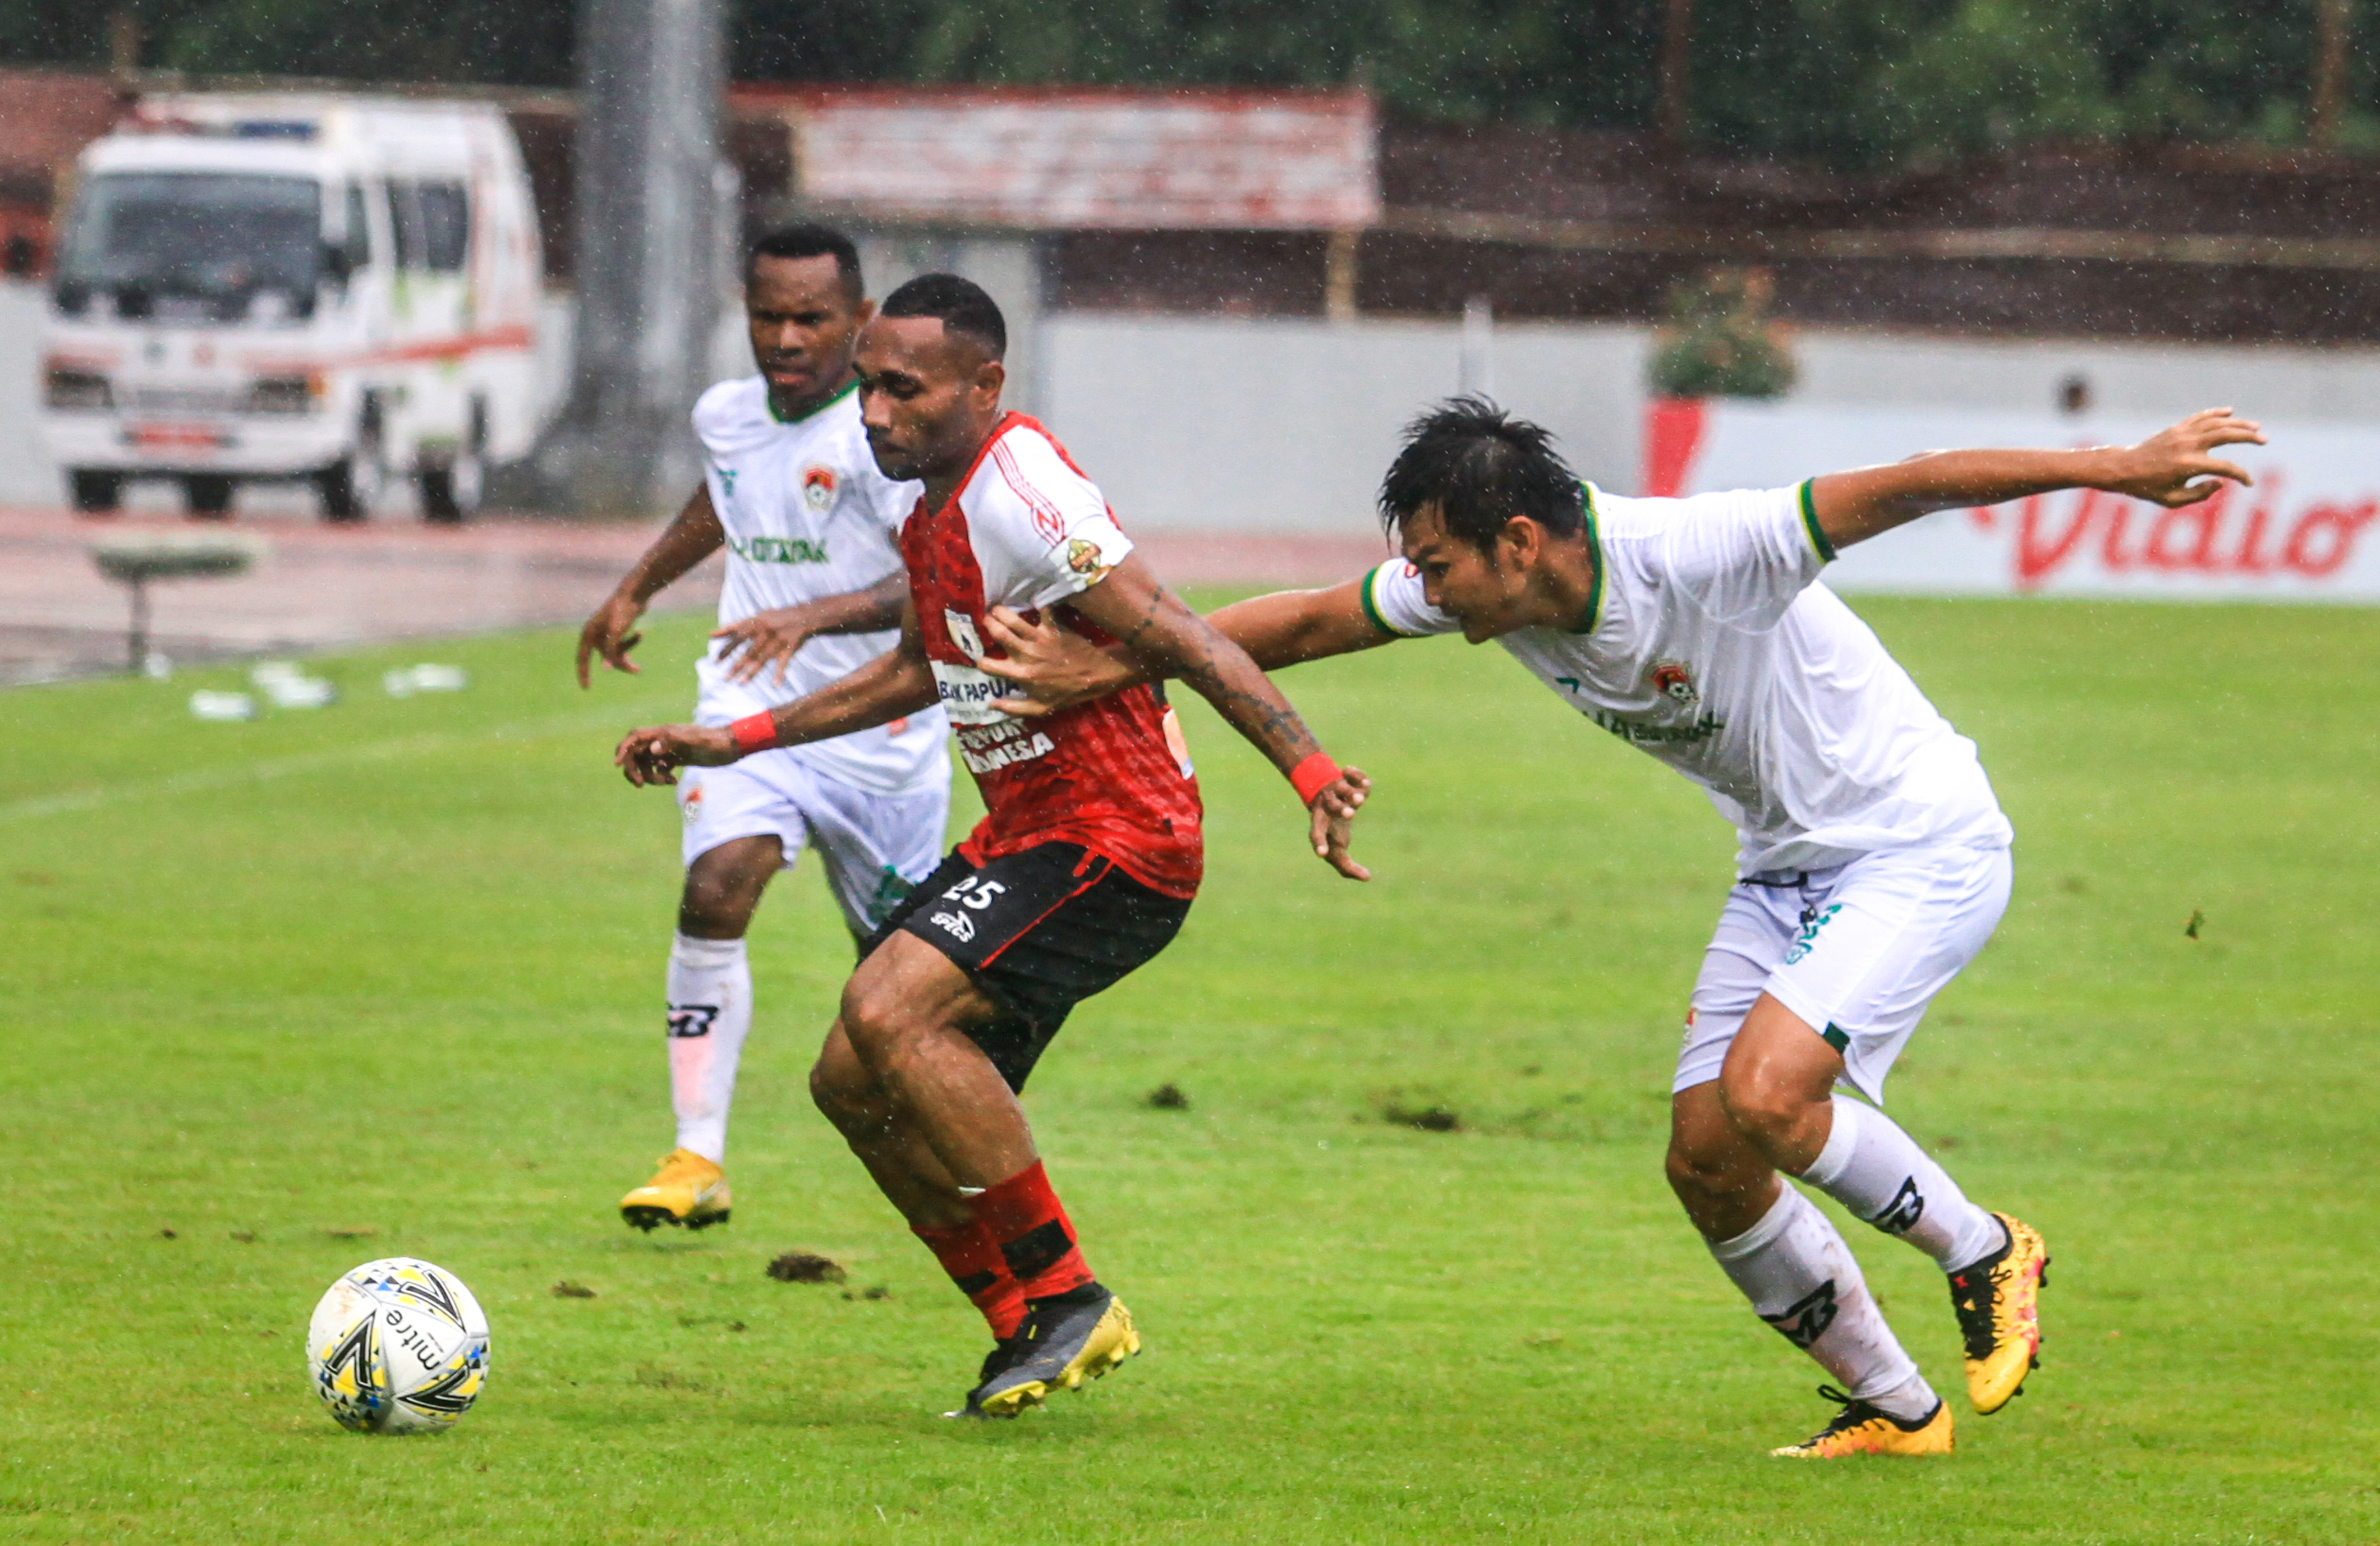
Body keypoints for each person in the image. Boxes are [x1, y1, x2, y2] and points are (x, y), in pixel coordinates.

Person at [971, 397, 2264, 1456]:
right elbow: (1301, 621)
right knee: (1709, 1160)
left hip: (1920, 845)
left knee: (1766, 1096)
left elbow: (1915, 480)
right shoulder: (1487, 589)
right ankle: (1896, 1406)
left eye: (1437, 563)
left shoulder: (1702, 548)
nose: (1421, 589)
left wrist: (2118, 467)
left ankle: (1987, 1249)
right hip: (1787, 867)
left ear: (1521, 540)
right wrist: (1109, 666)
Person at [611, 273, 1373, 1418]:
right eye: (867, 387)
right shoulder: (932, 511)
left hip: (1122, 839)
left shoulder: (1023, 490)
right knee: (847, 1081)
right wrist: (732, 739)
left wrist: (1307, 767)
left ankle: (1071, 1294)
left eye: (901, 390)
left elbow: (1182, 634)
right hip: (1026, 832)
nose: (872, 413)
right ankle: (1021, 1325)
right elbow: (924, 667)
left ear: (983, 385)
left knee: (891, 1010)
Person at [576, 224, 950, 1234]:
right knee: (717, 882)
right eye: (766, 315)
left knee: (901, 978)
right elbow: (727, 496)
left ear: (859, 319)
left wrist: (813, 615)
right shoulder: (727, 415)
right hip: (744, 715)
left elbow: (926, 585)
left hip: (881, 735)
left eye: (809, 317)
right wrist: (636, 587)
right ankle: (696, 1153)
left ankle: (958, 1142)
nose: (784, 337)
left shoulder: (883, 437)